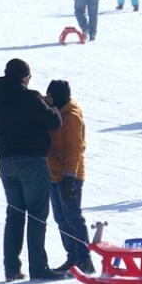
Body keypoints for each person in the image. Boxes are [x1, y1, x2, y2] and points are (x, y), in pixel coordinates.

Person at [0, 58, 65, 281]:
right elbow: (54, 122)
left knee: (15, 215)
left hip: (6, 162)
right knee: (37, 215)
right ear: (24, 77)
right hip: (32, 161)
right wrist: (49, 105)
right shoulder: (29, 97)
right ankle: (38, 268)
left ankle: (11, 268)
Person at [45, 80, 93, 273]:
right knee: (61, 218)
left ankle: (84, 259)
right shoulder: (56, 112)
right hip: (54, 174)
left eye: (50, 96)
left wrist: (70, 176)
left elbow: (75, 149)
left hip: (68, 175)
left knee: (72, 217)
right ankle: (72, 257)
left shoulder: (71, 116)